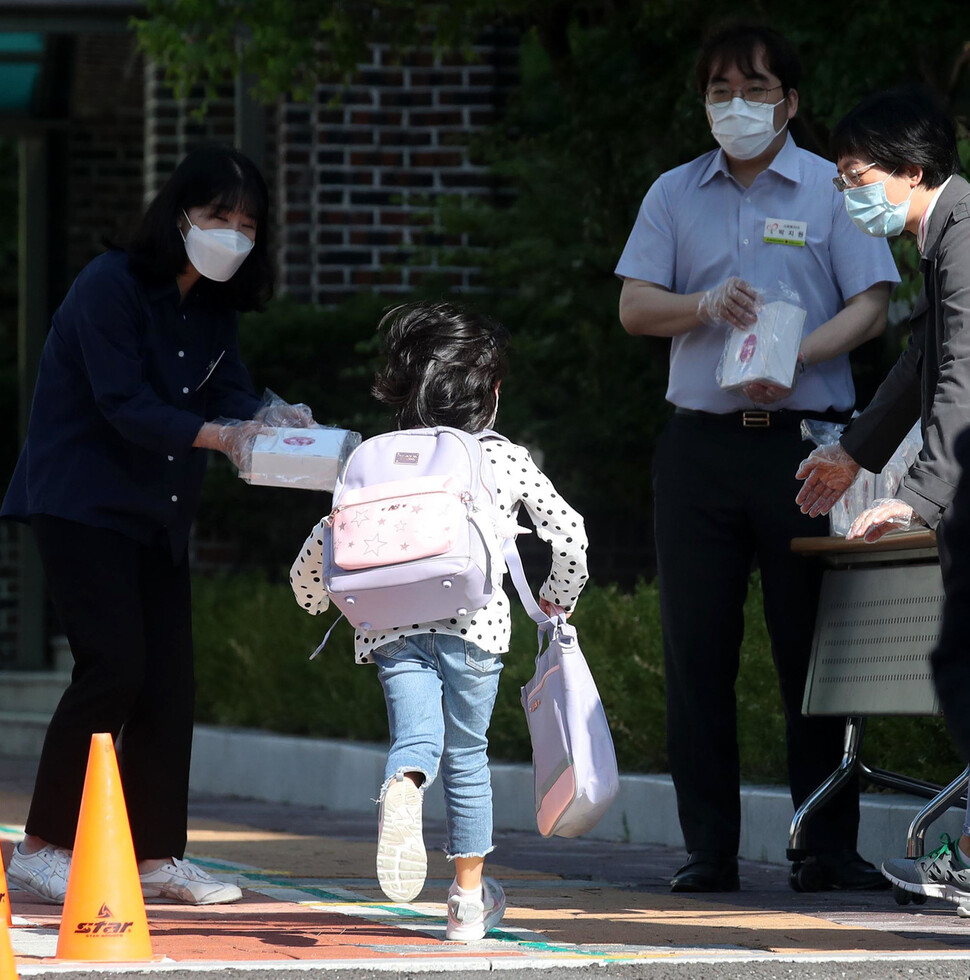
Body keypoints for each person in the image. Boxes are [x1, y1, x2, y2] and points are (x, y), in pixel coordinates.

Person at [615, 22, 900, 893]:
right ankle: (709, 848)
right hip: (699, 448)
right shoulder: (673, 192)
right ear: (704, 101)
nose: (737, 106)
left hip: (808, 448)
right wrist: (702, 305)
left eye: (756, 90)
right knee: (696, 651)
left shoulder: (828, 188)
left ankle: (824, 845)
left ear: (791, 101)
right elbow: (634, 307)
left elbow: (877, 303)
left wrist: (804, 352)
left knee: (813, 652)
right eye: (721, 91)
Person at [1, 144, 311, 905]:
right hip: (82, 503)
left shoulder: (212, 307)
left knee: (170, 682)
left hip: (159, 512)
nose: (232, 235)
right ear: (179, 216)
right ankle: (40, 845)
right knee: (114, 667)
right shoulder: (109, 286)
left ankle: (156, 855)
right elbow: (124, 403)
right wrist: (219, 435)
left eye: (246, 223)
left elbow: (231, 390)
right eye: (217, 217)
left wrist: (275, 420)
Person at [289, 300, 589, 941]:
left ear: (405, 390)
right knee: (470, 755)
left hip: (389, 627)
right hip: (475, 623)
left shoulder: (372, 456)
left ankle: (404, 781)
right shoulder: (501, 457)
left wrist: (317, 600)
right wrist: (559, 596)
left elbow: (326, 543)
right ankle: (466, 903)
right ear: (493, 392)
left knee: (416, 739)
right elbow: (569, 532)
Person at [793, 87, 970, 907]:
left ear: (910, 169)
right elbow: (920, 363)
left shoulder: (965, 235)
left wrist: (921, 497)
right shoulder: (944, 235)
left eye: (854, 175)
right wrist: (852, 454)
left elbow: (963, 378)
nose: (846, 192)